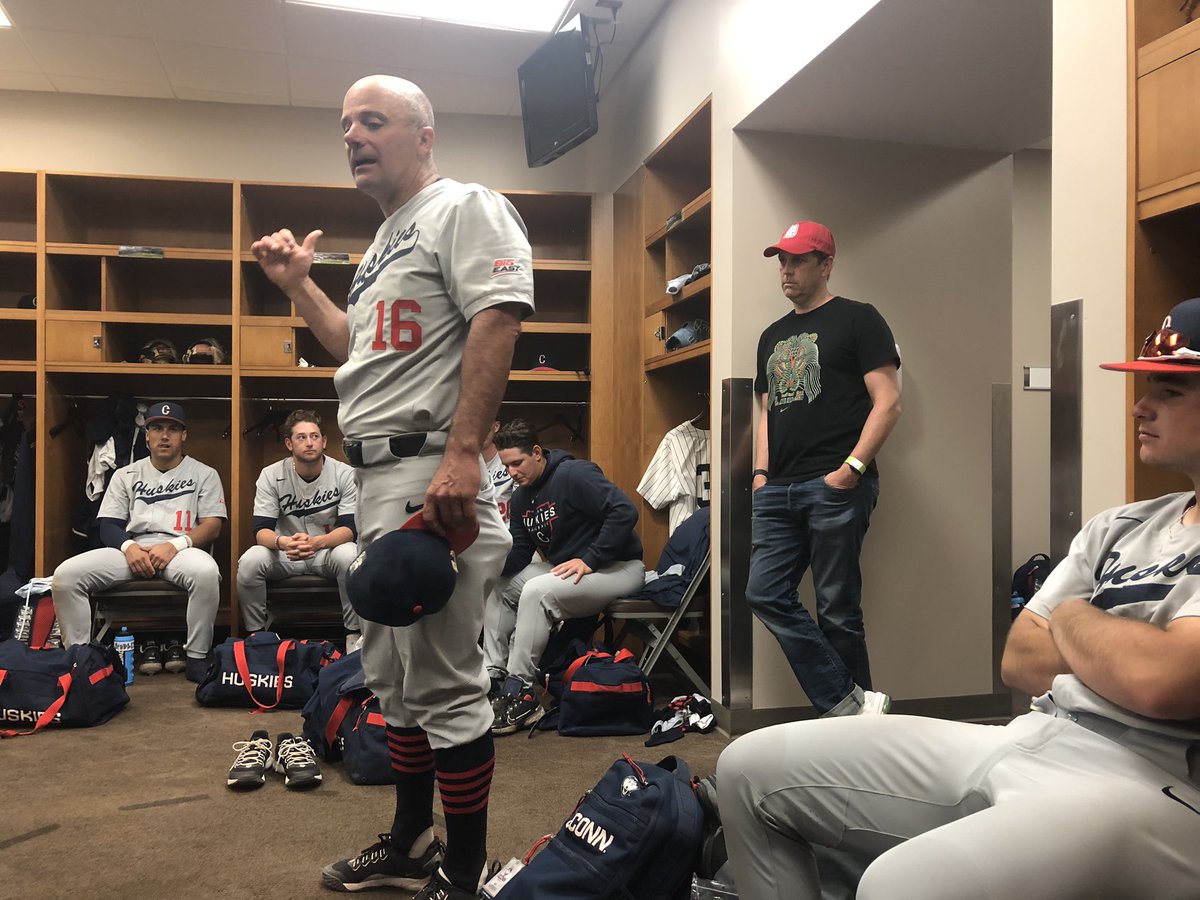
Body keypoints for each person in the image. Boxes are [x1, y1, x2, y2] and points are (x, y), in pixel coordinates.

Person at [716, 297, 1200, 900]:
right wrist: (1111, 647)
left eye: (1172, 392)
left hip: (1150, 780)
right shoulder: (1121, 525)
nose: (1141, 405)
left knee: (896, 885)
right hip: (1035, 731)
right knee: (746, 771)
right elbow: (1020, 656)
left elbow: (1162, 679)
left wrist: (1072, 615)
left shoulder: (859, 322)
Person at [251, 75, 531, 899]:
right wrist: (301, 283)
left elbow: (499, 316)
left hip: (433, 474)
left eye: (373, 121)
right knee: (392, 679)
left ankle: (466, 866)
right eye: (345, 125)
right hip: (374, 476)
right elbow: (353, 349)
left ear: (423, 134)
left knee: (445, 679)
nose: (353, 136)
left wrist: (465, 453)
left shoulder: (462, 206)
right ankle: (411, 840)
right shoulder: (380, 245)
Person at [747, 220, 901, 716]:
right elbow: (766, 411)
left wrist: (852, 469)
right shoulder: (772, 335)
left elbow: (889, 402)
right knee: (764, 592)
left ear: (826, 263)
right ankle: (852, 707)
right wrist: (760, 474)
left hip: (834, 484)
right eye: (782, 261)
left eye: (797, 260)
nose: (786, 271)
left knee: (837, 608)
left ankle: (854, 736)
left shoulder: (859, 319)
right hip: (777, 489)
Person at [483, 419, 645, 734]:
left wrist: (591, 558)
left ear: (537, 452)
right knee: (499, 586)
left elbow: (624, 511)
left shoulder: (574, 474)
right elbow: (519, 554)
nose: (513, 472)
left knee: (537, 591)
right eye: (507, 466)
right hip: (575, 568)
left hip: (619, 567)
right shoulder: (521, 498)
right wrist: (483, 569)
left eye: (518, 463)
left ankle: (523, 689)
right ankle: (495, 677)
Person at [51, 401, 226, 683]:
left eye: (173, 429)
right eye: (157, 428)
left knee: (206, 572)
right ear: (146, 435)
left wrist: (176, 546)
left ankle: (196, 656)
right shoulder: (125, 474)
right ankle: (81, 660)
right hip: (132, 549)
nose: (164, 435)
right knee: (65, 576)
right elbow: (107, 525)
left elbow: (213, 526)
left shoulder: (204, 474)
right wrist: (129, 548)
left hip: (180, 550)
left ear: (184, 435)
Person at [235, 409, 361, 650]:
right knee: (250, 561)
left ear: (324, 441)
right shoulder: (270, 475)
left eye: (314, 436)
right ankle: (257, 637)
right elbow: (261, 531)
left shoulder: (345, 474)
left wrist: (318, 543)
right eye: (301, 437)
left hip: (326, 551)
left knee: (350, 555)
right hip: (286, 552)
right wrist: (283, 543)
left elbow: (350, 529)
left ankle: (353, 634)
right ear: (289, 443)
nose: (309, 442)